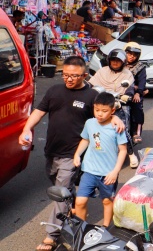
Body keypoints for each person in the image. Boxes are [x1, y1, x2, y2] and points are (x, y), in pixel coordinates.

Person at [18, 56, 124, 251]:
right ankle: (72, 201)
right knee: (56, 184)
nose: (69, 79)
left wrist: (116, 118)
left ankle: (52, 235)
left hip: (72, 154)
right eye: (65, 75)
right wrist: (26, 129)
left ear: (84, 75)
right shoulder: (53, 91)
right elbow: (39, 112)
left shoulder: (91, 95)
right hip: (52, 150)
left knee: (60, 191)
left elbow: (104, 112)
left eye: (74, 76)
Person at [73, 92, 128, 228]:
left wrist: (115, 171)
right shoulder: (90, 123)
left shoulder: (117, 127)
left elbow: (123, 150)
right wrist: (77, 154)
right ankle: (81, 228)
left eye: (104, 111)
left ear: (112, 111)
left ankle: (105, 227)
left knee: (107, 201)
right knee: (80, 201)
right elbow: (85, 139)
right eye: (97, 110)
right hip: (89, 170)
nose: (100, 114)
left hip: (108, 173)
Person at [89, 49, 138, 168]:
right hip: (100, 102)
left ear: (123, 62)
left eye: (118, 61)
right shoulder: (102, 71)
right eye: (113, 60)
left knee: (122, 128)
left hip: (118, 103)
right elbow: (91, 84)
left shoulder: (127, 74)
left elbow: (130, 88)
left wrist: (128, 95)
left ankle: (131, 153)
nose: (115, 63)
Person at [124, 42, 146, 144]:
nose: (131, 57)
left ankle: (135, 133)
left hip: (135, 92)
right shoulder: (119, 63)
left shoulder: (140, 67)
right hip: (119, 91)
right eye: (129, 54)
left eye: (134, 55)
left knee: (137, 108)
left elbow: (142, 82)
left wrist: (138, 93)